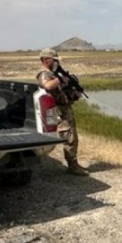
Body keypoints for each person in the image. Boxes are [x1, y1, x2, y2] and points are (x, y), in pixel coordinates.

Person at [36, 48, 89, 176]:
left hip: (65, 108)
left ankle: (73, 163)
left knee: (72, 136)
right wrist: (61, 79)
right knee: (69, 137)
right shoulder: (44, 73)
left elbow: (60, 90)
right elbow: (48, 86)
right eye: (53, 60)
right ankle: (72, 166)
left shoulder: (53, 73)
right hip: (59, 110)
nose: (56, 63)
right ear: (46, 60)